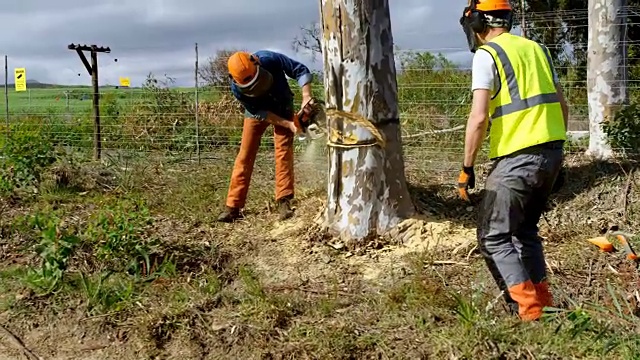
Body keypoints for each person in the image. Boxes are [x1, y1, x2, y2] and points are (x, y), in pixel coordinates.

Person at [457, 0, 569, 321]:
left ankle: (530, 312)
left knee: (493, 236)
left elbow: (479, 118)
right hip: (552, 151)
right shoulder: (538, 50)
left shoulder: (486, 55)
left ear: (478, 23)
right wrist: (558, 154)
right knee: (526, 231)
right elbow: (562, 106)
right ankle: (544, 303)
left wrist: (467, 167)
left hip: (516, 158)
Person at [217, 50, 314, 223]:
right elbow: (260, 113)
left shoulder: (270, 59)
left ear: (257, 63)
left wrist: (306, 96)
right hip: (258, 113)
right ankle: (233, 207)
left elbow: (300, 70)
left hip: (282, 106)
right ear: (234, 79)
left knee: (283, 152)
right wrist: (289, 125)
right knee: (245, 155)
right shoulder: (236, 89)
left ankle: (284, 201)